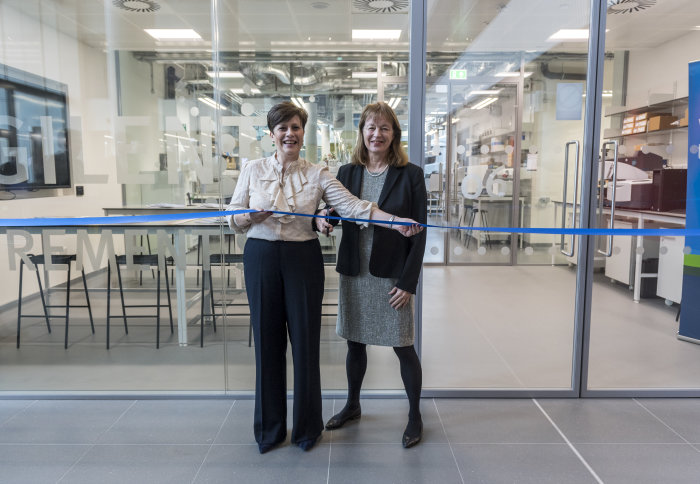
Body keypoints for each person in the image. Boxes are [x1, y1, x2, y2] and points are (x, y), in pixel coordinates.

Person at [226, 101, 420, 454]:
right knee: (267, 347)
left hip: (302, 259)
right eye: (283, 128)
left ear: (303, 133)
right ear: (272, 135)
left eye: (296, 127)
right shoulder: (252, 169)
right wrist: (249, 217)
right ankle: (269, 430)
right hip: (261, 258)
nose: (290, 133)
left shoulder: (319, 174)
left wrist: (394, 221)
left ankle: (306, 430)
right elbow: (231, 217)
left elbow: (351, 206)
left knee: (304, 345)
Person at [315, 102, 427, 448]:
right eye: (370, 127)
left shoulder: (411, 174)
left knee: (403, 347)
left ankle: (414, 415)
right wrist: (324, 220)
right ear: (362, 132)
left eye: (384, 128)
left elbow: (420, 232)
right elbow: (333, 211)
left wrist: (408, 283)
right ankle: (352, 404)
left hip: (390, 273)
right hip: (355, 269)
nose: (376, 134)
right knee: (355, 342)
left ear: (394, 135)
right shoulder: (346, 173)